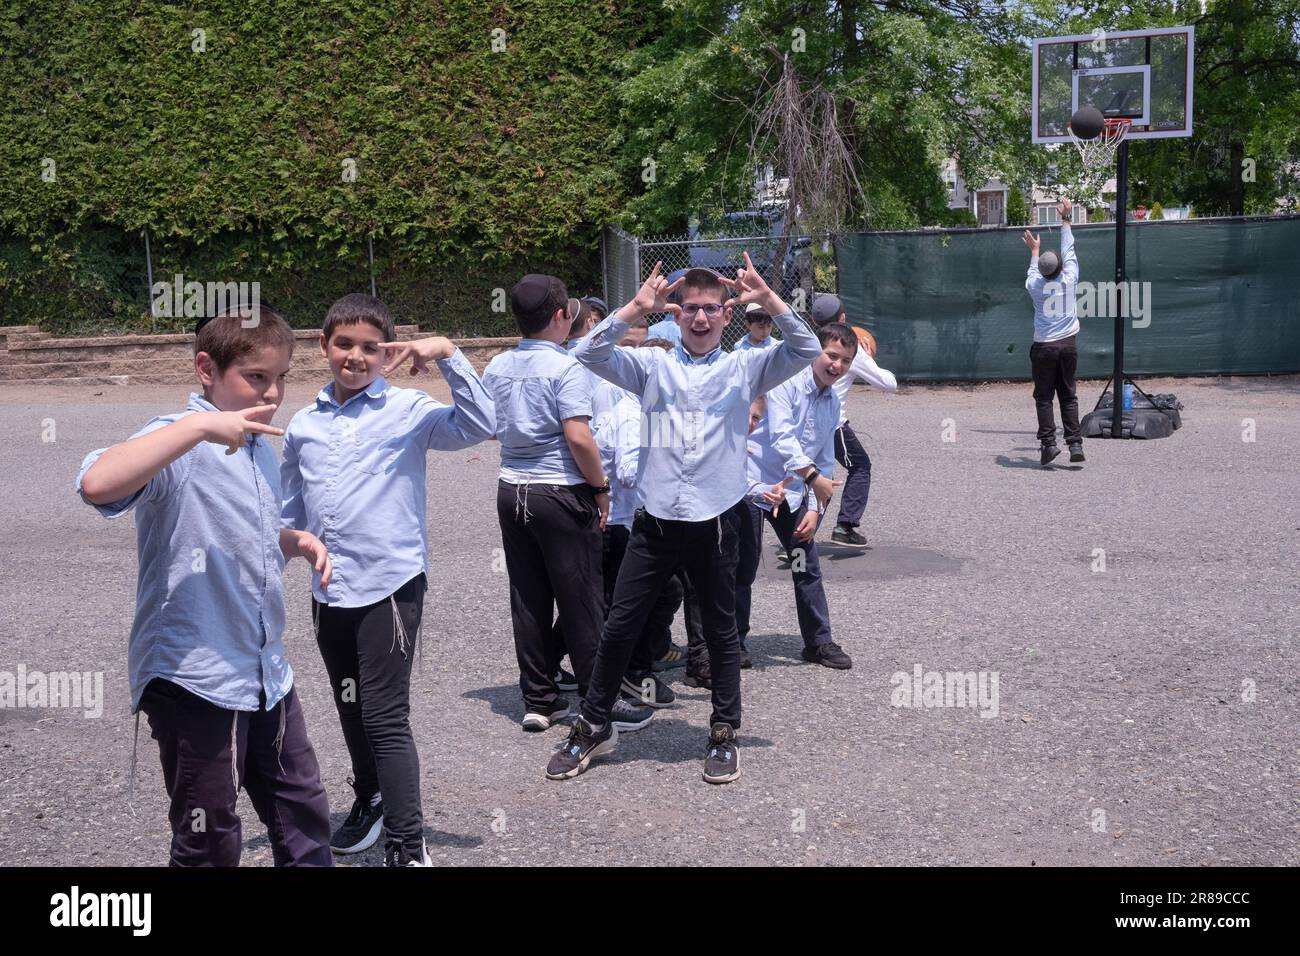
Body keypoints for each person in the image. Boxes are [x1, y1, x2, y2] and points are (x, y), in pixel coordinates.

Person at [76, 306, 334, 867]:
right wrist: (193, 428)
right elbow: (97, 483)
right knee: (210, 834)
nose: (272, 392)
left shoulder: (258, 445)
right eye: (256, 377)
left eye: (282, 377)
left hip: (265, 669)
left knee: (303, 809)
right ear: (205, 368)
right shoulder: (177, 440)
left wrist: (293, 541)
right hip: (195, 677)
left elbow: (244, 529)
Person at [547, 256, 821, 785]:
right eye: (690, 310)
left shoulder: (745, 366)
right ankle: (593, 724)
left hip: (718, 519)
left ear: (726, 316)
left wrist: (769, 300)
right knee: (620, 625)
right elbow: (587, 351)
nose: (700, 319)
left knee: (721, 632)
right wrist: (633, 309)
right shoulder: (652, 366)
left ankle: (722, 731)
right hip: (656, 521)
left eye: (710, 310)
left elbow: (806, 348)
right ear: (676, 316)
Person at [280, 293, 495, 866]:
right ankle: (370, 799)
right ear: (323, 347)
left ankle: (408, 842)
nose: (356, 356)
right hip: (329, 590)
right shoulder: (303, 426)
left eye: (370, 347)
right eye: (344, 344)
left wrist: (448, 352)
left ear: (388, 352)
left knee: (383, 713)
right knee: (349, 703)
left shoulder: (409, 410)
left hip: (391, 585)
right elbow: (286, 512)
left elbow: (483, 423)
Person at [483, 274, 654, 737]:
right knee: (582, 599)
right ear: (561, 317)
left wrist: (634, 309)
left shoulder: (497, 365)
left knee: (528, 596)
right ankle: (602, 698)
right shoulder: (566, 368)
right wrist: (600, 489)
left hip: (511, 487)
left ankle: (539, 699)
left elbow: (494, 426)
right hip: (560, 491)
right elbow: (578, 436)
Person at [734, 324, 858, 670]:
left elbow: (823, 456)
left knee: (806, 565)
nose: (836, 365)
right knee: (743, 567)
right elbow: (782, 438)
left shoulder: (832, 401)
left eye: (845, 361)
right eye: (831, 355)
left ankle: (818, 642)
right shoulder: (786, 382)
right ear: (816, 352)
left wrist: (816, 510)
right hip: (753, 485)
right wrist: (813, 478)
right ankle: (735, 642)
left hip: (791, 491)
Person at [809, 294, 898, 547]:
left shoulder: (809, 342)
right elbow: (888, 384)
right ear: (843, 319)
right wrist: (867, 359)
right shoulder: (851, 350)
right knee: (859, 468)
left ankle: (794, 538)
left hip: (803, 421)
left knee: (809, 476)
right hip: (831, 424)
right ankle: (844, 527)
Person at [1022, 197, 1084, 467]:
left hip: (1044, 347)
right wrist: (1066, 219)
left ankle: (1049, 445)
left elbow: (1032, 272)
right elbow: (1068, 250)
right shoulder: (1069, 278)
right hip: (1068, 344)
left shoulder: (1035, 285)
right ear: (1060, 267)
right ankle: (1075, 443)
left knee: (1044, 397)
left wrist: (1034, 250)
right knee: (1068, 394)